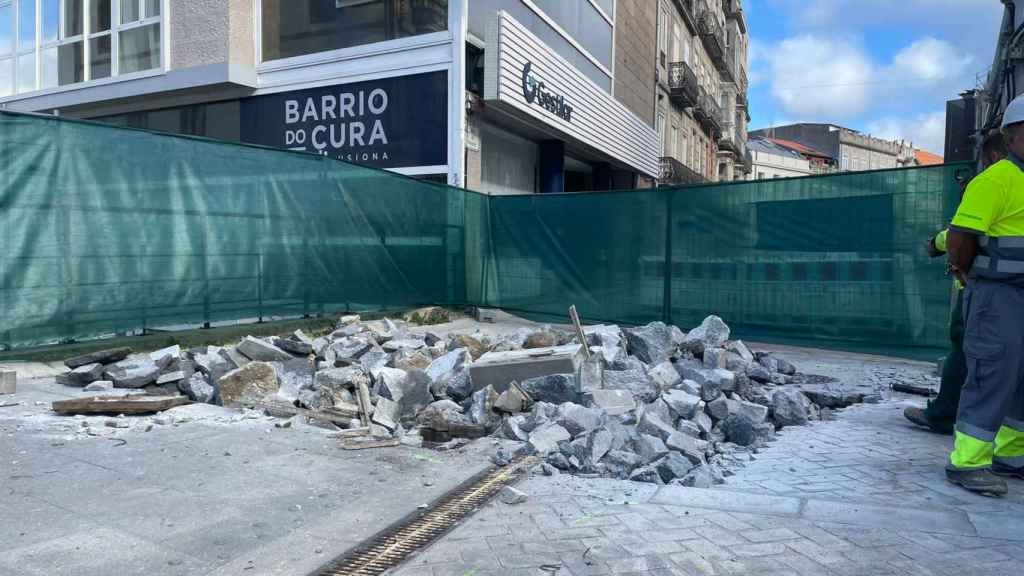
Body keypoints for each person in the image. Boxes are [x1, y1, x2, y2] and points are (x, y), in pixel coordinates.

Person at [944, 94, 1024, 496]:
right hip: (997, 293)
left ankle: (1012, 454)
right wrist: (965, 274)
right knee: (992, 372)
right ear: (1011, 137)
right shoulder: (995, 180)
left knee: (1020, 376)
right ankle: (968, 462)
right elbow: (960, 237)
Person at [904, 132, 1008, 434]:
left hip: (983, 286)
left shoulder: (995, 182)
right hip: (1012, 289)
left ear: (993, 156)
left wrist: (936, 246)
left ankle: (944, 414)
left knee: (963, 348)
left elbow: (961, 233)